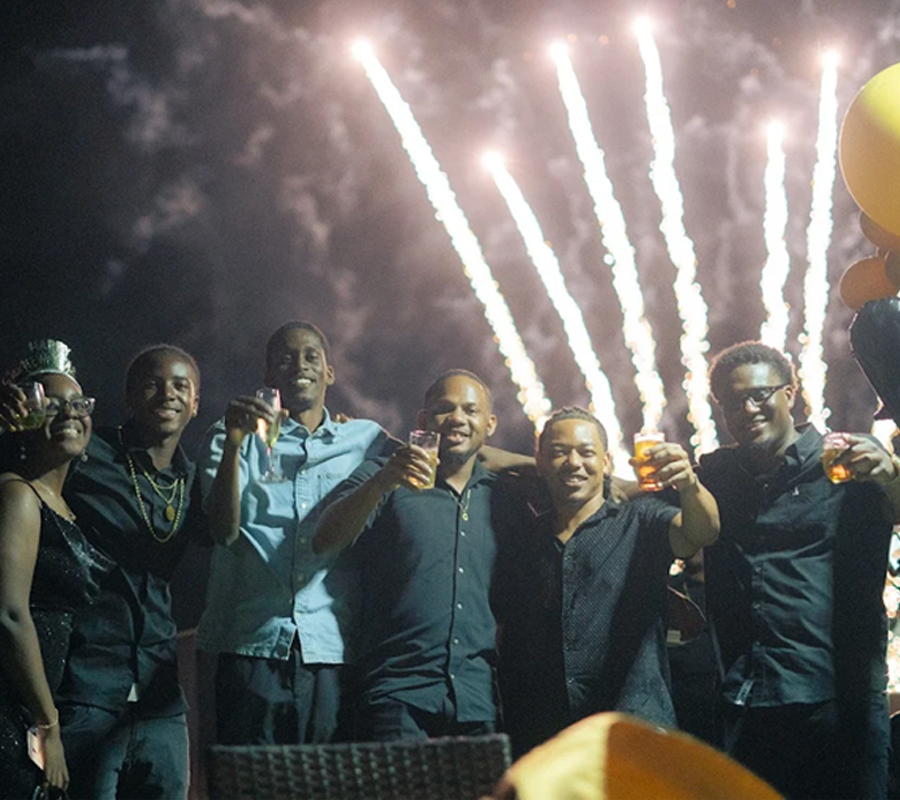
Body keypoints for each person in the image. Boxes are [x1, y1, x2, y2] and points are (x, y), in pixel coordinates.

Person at [701, 341, 900, 800]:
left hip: (840, 700)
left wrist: (890, 473)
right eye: (733, 402)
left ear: (790, 393)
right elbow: (622, 494)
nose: (748, 408)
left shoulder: (848, 461)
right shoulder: (718, 476)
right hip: (749, 703)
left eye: (760, 394)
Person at [197, 321, 393, 746]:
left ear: (329, 371)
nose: (298, 365)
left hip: (331, 651)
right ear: (269, 376)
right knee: (248, 786)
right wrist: (233, 445)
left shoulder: (365, 440)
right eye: (284, 358)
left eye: (310, 356)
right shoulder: (230, 437)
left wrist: (529, 463)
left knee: (323, 786)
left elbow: (438, 455)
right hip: (250, 644)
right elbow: (222, 530)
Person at [492, 406, 720, 757]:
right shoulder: (523, 539)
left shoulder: (641, 522)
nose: (573, 462)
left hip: (635, 731)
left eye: (586, 452)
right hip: (546, 739)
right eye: (558, 452)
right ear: (539, 461)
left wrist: (689, 484)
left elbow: (702, 530)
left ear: (606, 461)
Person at [34, 344, 203, 799]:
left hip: (161, 699)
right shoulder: (91, 452)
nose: (167, 394)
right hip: (87, 689)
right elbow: (33, 457)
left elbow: (226, 533)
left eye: (180, 385)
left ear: (195, 403)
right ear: (128, 397)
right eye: (152, 383)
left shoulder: (194, 481)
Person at [314, 369, 505, 741]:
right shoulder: (385, 475)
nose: (458, 419)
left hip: (476, 701)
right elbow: (324, 538)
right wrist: (384, 480)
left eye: (470, 410)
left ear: (490, 424)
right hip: (395, 696)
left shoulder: (503, 497)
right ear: (422, 420)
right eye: (444, 409)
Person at [0, 340, 103, 797]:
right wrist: (48, 725)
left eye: (78, 404)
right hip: (13, 708)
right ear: (26, 419)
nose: (69, 414)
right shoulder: (18, 495)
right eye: (53, 405)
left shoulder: (63, 504)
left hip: (30, 707)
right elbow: (10, 613)